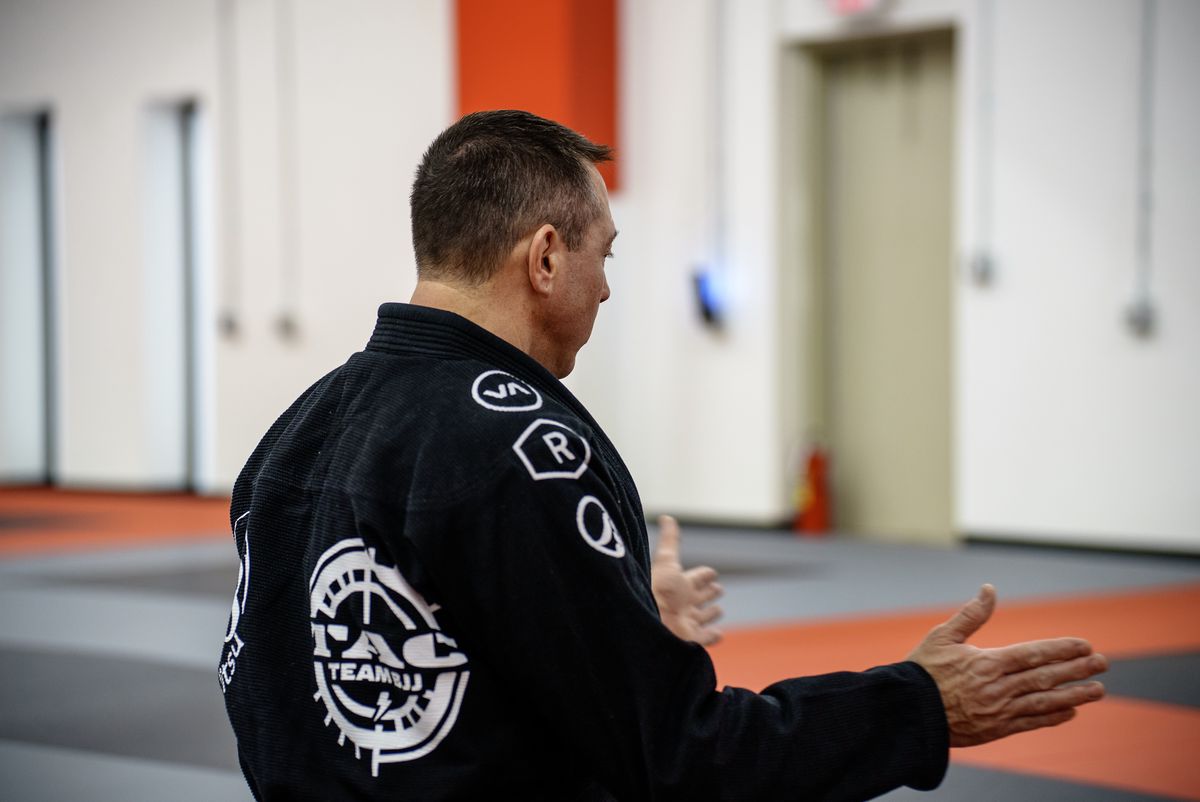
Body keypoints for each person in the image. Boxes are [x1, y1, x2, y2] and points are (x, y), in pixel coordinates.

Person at [219, 110, 1107, 801]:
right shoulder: (517, 446)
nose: (606, 287)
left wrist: (614, 619)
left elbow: (305, 709)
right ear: (545, 258)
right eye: (604, 256)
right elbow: (681, 762)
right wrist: (917, 706)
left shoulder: (296, 429)